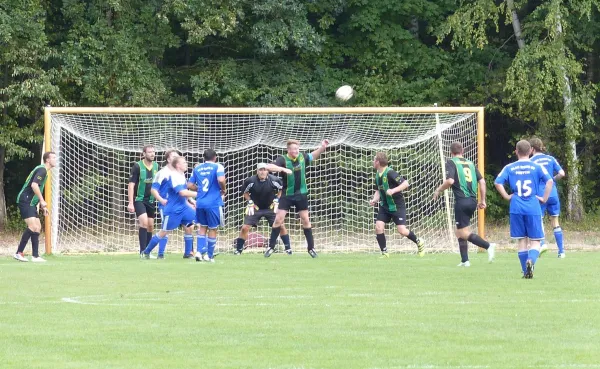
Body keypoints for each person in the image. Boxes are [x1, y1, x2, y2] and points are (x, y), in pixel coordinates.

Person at [494, 140, 553, 279]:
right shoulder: (536, 166)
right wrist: (544, 198)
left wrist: (507, 196)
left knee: (521, 241)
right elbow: (550, 181)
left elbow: (497, 182)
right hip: (532, 206)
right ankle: (531, 261)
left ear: (516, 151)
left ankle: (525, 271)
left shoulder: (510, 167)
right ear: (531, 150)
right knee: (536, 241)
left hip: (516, 207)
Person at [264, 139, 329, 258]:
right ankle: (271, 247)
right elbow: (268, 167)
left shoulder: (302, 157)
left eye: (297, 149)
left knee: (305, 219)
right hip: (287, 194)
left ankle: (311, 248)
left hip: (301, 194)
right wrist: (283, 169)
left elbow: (313, 155)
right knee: (278, 219)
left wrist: (322, 147)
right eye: (293, 149)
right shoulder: (282, 159)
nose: (296, 151)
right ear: (288, 150)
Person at [433, 142, 495, 266]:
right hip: (472, 201)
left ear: (451, 152)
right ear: (463, 151)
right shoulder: (470, 163)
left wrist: (438, 190)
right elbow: (482, 182)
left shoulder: (451, 162)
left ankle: (488, 246)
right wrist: (482, 200)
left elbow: (450, 181)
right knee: (460, 230)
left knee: (462, 233)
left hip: (462, 201)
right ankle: (465, 260)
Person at [369, 152, 425, 257]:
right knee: (378, 227)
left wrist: (393, 190)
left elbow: (405, 183)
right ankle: (384, 253)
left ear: (378, 162)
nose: (372, 162)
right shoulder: (377, 175)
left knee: (402, 230)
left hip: (396, 206)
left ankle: (418, 241)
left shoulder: (390, 173)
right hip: (384, 206)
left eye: (374, 160)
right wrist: (374, 200)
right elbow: (377, 190)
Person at [142, 156, 197, 259]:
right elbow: (182, 192)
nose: (186, 164)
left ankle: (189, 253)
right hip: (173, 210)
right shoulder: (173, 176)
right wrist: (200, 194)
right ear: (177, 165)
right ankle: (146, 252)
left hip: (184, 207)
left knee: (192, 225)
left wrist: (191, 201)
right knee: (164, 231)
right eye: (184, 162)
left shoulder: (182, 175)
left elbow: (185, 191)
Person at [234, 163, 291, 255]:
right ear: (257, 171)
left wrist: (277, 199)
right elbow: (245, 192)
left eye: (264, 170)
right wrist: (249, 201)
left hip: (270, 208)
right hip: (255, 208)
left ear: (267, 171)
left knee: (281, 226)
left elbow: (282, 189)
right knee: (245, 228)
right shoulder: (250, 181)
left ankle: (288, 248)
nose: (262, 172)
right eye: (260, 170)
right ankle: (238, 250)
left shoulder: (274, 180)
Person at [14, 151, 57, 262]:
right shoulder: (42, 170)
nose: (55, 160)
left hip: (31, 202)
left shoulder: (43, 171)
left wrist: (42, 206)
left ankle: (35, 256)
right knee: (33, 227)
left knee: (37, 227)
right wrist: (42, 201)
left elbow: (36, 189)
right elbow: (34, 185)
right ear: (47, 160)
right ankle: (19, 253)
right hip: (25, 200)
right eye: (53, 158)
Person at [529, 138, 566, 258]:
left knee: (539, 219)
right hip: (553, 192)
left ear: (532, 149)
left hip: (540, 193)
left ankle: (542, 244)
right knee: (555, 221)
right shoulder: (551, 158)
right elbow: (562, 173)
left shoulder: (531, 161)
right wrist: (553, 180)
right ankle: (561, 252)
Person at [188, 149, 226, 262]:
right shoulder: (218, 166)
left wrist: (199, 189)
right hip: (213, 203)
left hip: (200, 203)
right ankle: (209, 255)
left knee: (203, 227)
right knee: (213, 228)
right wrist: (223, 189)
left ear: (204, 158)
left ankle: (199, 252)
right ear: (215, 157)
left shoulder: (197, 168)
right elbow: (221, 179)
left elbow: (189, 184)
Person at [127, 145, 159, 256]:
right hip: (139, 199)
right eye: (149, 152)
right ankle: (142, 251)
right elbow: (131, 185)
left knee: (150, 226)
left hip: (151, 200)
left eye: (153, 152)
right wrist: (131, 202)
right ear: (144, 154)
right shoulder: (137, 166)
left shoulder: (156, 166)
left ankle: (148, 252)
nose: (152, 154)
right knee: (144, 223)